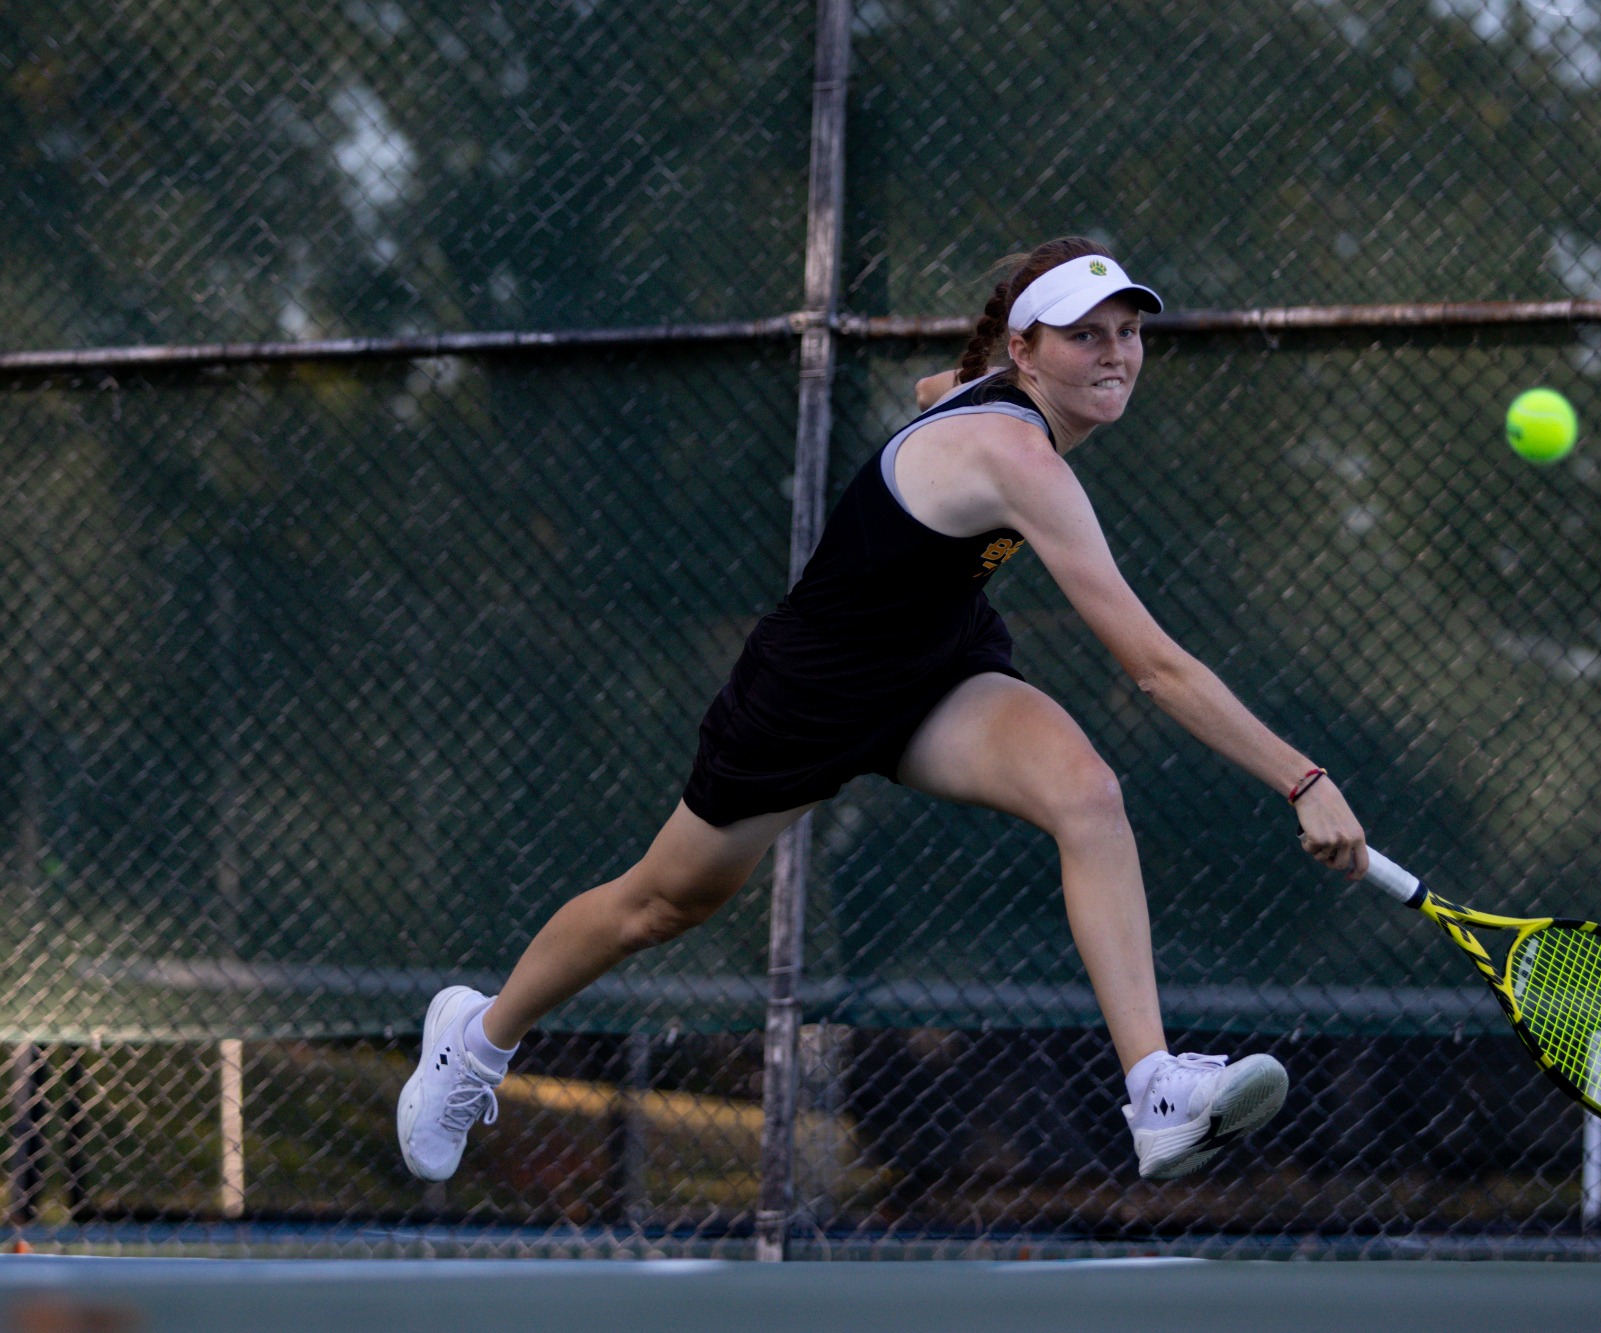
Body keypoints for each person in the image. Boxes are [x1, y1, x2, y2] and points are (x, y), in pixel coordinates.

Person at [397, 237, 1371, 1186]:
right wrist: (1302, 779)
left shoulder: (994, 397)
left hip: (937, 665)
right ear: (1026, 351)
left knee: (1088, 794)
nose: (1114, 353)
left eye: (1127, 331)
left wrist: (950, 407)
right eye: (1085, 335)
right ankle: (475, 1039)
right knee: (663, 902)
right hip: (809, 694)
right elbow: (1154, 668)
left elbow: (934, 390)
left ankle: (1154, 1088)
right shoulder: (1022, 460)